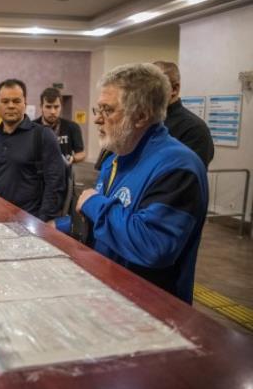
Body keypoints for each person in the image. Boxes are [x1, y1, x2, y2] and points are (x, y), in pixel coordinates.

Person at [76, 63, 208, 304]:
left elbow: (152, 245)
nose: (97, 119)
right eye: (98, 109)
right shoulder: (115, 159)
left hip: (153, 310)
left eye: (107, 110)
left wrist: (93, 203)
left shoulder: (178, 167)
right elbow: (104, 227)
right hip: (109, 295)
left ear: (141, 116)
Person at [0, 79, 66, 223]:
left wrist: (44, 222)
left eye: (16, 101)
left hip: (31, 222)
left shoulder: (43, 136)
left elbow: (55, 184)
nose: (11, 106)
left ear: (25, 103)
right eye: (5, 101)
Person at [153, 60, 214, 168]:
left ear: (174, 89)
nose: (145, 94)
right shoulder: (144, 121)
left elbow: (186, 174)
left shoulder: (194, 129)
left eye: (154, 88)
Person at [33, 87, 86, 165]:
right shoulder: (32, 127)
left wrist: (73, 158)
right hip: (37, 175)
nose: (53, 111)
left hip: (64, 175)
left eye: (56, 107)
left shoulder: (72, 127)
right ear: (41, 107)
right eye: (48, 107)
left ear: (61, 106)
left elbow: (81, 154)